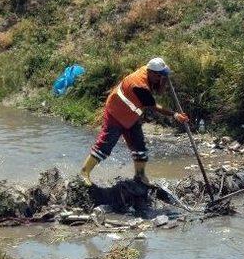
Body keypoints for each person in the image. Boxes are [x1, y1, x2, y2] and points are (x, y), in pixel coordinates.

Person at [79, 57, 189, 186]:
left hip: (131, 115)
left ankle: (140, 175)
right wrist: (175, 115)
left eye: (162, 75)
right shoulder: (139, 85)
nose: (160, 78)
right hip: (116, 111)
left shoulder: (150, 72)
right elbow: (153, 106)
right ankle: (84, 172)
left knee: (139, 146)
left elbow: (158, 91)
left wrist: (164, 78)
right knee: (106, 145)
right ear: (152, 72)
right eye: (159, 76)